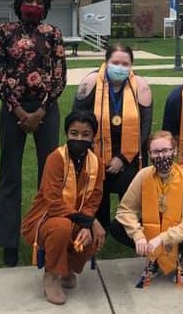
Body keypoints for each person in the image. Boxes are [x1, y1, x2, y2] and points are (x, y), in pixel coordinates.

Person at [0, 0, 67, 267]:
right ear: (19, 3)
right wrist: (20, 111)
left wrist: (41, 111)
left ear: (45, 6)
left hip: (46, 110)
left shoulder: (53, 34)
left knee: (48, 176)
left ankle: (44, 237)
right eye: (29, 0)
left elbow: (59, 76)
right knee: (9, 176)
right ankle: (9, 243)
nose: (34, 5)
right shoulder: (4, 33)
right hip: (13, 110)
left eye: (39, 1)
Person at [21, 110, 106, 305]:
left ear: (93, 137)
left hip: (76, 218)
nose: (79, 138)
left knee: (93, 234)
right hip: (46, 218)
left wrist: (87, 225)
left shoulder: (97, 163)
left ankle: (67, 268)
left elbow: (93, 200)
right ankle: (51, 276)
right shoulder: (55, 159)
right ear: (66, 134)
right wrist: (89, 221)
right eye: (74, 133)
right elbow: (53, 201)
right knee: (62, 227)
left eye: (85, 135)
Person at [111, 131, 183, 286]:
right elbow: (125, 209)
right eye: (156, 152)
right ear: (149, 154)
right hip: (151, 229)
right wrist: (137, 235)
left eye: (166, 151)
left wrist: (162, 239)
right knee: (116, 226)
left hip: (177, 233)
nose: (161, 156)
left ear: (174, 151)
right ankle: (153, 259)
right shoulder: (143, 176)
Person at [73, 43, 152, 227]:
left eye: (125, 64)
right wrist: (93, 155)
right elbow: (76, 121)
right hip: (94, 151)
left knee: (130, 187)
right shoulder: (90, 82)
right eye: (115, 62)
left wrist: (123, 158)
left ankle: (127, 228)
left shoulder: (140, 86)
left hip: (129, 154)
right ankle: (98, 227)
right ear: (106, 62)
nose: (120, 67)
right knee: (97, 189)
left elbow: (145, 128)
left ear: (132, 65)